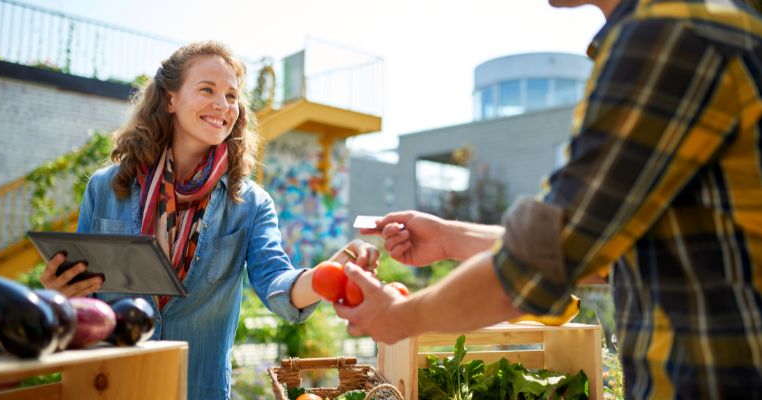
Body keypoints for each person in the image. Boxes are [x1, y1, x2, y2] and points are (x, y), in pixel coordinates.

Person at [334, 0, 762, 397]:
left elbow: (541, 260)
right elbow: (596, 249)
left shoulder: (666, 34)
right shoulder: (690, 21)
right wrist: (450, 239)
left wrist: (400, 317)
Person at [38, 41, 379, 399]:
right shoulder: (106, 188)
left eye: (232, 96)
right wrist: (58, 294)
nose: (223, 105)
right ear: (170, 99)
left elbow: (276, 282)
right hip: (111, 385)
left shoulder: (250, 203)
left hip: (199, 390)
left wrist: (328, 274)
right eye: (207, 90)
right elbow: (82, 300)